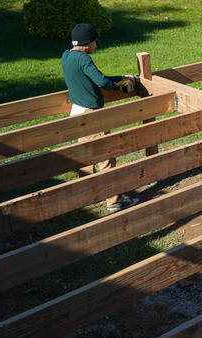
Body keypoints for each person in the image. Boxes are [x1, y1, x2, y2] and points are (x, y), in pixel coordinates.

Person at [62, 23, 139, 212]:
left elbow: (95, 77)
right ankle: (114, 201)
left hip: (77, 112)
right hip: (92, 115)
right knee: (106, 157)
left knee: (86, 156)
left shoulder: (67, 56)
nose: (96, 45)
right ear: (88, 42)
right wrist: (118, 86)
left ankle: (87, 195)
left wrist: (121, 76)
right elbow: (102, 81)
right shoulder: (84, 59)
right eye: (96, 42)